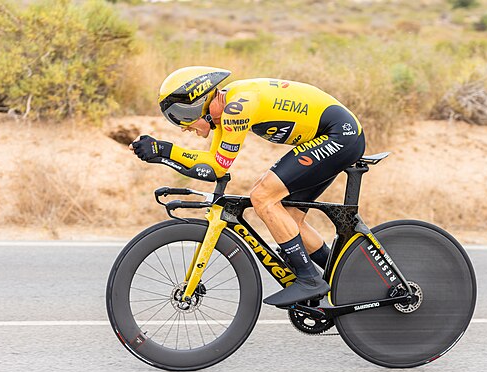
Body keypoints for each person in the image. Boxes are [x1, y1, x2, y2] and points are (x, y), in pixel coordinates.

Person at [130, 66, 365, 306]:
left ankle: (309, 280)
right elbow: (213, 164)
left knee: (262, 197)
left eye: (184, 116)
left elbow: (217, 169)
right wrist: (162, 152)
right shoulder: (226, 106)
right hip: (336, 135)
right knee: (289, 218)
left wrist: (165, 151)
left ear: (200, 101)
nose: (183, 126)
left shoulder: (236, 107)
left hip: (340, 135)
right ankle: (342, 276)